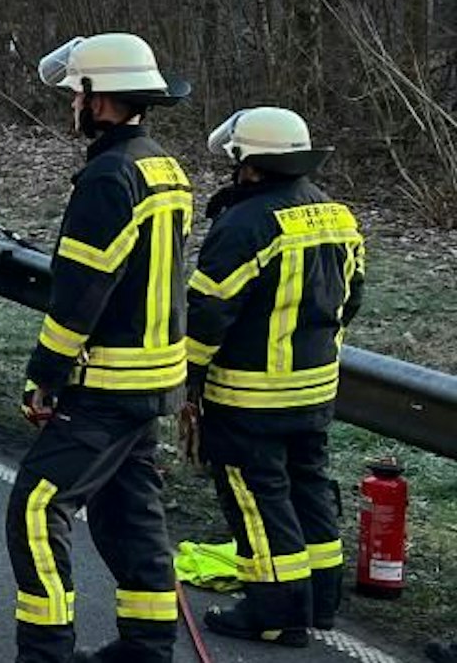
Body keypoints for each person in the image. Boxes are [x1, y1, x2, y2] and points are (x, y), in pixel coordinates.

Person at [8, 33, 192, 663]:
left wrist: (45, 375)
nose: (71, 106)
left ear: (100, 99)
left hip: (109, 382)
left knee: (35, 506)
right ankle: (147, 646)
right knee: (128, 509)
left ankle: (46, 650)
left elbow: (81, 293)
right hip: (155, 378)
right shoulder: (162, 163)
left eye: (75, 95)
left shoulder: (109, 177)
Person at [185, 107, 365, 646]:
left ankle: (274, 610)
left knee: (257, 498)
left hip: (249, 393)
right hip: (315, 388)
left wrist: (187, 375)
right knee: (309, 485)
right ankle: (319, 601)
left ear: (249, 162)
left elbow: (209, 311)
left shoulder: (244, 223)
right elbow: (352, 296)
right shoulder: (337, 214)